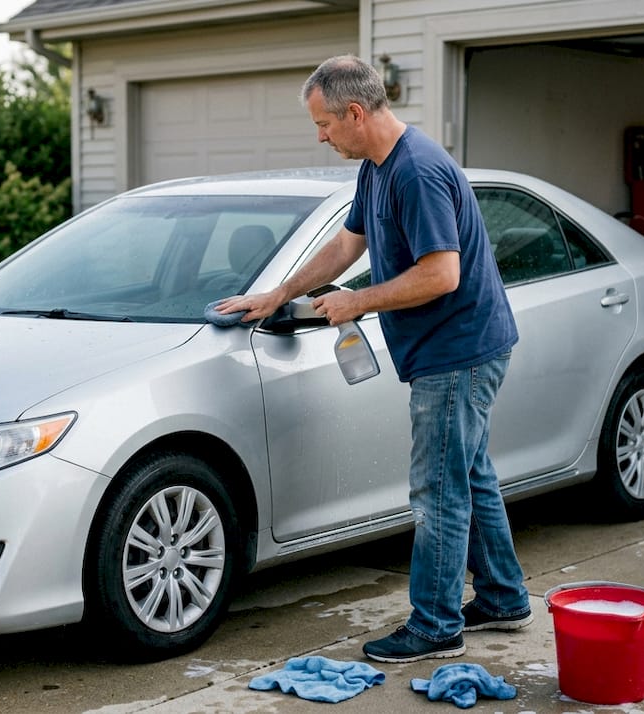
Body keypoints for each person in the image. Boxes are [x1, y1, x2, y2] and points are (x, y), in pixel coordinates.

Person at [215, 54, 532, 663]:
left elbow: (442, 274)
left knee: (438, 490)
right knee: (468, 475)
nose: (321, 135)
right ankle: (502, 597)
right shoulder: (377, 168)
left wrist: (357, 300)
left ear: (354, 113)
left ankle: (436, 624)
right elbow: (344, 243)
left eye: (324, 124)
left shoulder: (416, 171)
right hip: (454, 348)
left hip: (458, 351)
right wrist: (281, 292)